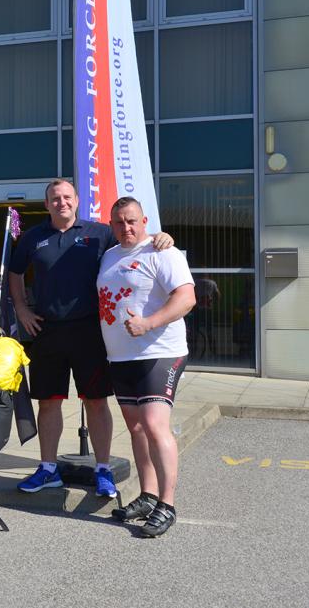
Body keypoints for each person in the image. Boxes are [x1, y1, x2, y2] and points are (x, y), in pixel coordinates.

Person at [8, 180, 172, 498]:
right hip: (46, 330)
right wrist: (21, 309)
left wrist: (161, 238)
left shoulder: (100, 233)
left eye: (67, 197)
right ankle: (48, 469)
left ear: (77, 200)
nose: (62, 202)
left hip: (90, 332)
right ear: (46, 204)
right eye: (55, 198)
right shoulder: (32, 237)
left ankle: (103, 470)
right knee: (48, 403)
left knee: (96, 402)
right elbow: (14, 273)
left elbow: (132, 239)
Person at [97, 197, 194, 537]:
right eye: (120, 222)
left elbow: (186, 297)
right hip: (121, 357)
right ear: (111, 225)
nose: (127, 228)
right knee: (136, 429)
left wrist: (149, 323)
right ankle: (148, 496)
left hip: (160, 352)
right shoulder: (109, 255)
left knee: (154, 425)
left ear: (144, 220)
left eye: (132, 221)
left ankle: (167, 505)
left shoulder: (161, 251)